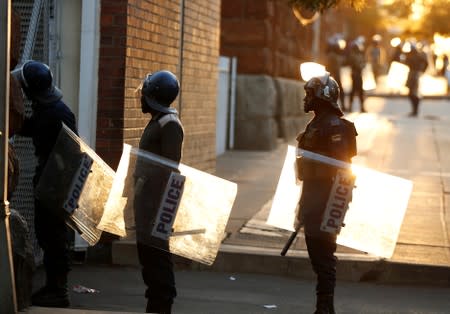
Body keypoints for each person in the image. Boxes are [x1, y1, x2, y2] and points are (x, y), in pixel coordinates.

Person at [13, 60, 78, 308]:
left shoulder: (52, 114)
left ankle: (58, 290)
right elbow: (30, 127)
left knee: (52, 235)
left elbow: (32, 128)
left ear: (31, 91)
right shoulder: (52, 108)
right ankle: (55, 286)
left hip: (55, 182)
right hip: (56, 180)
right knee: (51, 234)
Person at [295, 73, 358, 314]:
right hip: (313, 198)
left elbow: (342, 169)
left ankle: (325, 307)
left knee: (324, 255)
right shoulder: (317, 123)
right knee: (317, 253)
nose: (306, 98)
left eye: (310, 94)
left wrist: (334, 206)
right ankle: (323, 306)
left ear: (323, 97)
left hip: (328, 200)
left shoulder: (335, 127)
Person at [134, 70, 184, 314]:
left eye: (144, 91)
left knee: (158, 265)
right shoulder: (158, 120)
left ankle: (162, 307)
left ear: (153, 95)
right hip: (146, 205)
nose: (140, 96)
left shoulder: (170, 124)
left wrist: (163, 213)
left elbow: (169, 171)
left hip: (156, 207)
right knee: (148, 264)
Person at [403, 43, 428, 117]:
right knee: (412, 93)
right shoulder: (410, 55)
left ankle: (415, 110)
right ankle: (414, 110)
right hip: (412, 74)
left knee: (413, 93)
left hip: (415, 74)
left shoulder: (417, 55)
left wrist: (422, 70)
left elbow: (426, 62)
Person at [325, 36, 346, 111]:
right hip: (333, 73)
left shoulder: (331, 55)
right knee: (331, 89)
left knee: (328, 89)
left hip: (331, 74)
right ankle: (341, 105)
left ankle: (329, 105)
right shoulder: (334, 55)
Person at [346, 38, 366, 112]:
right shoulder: (353, 55)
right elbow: (357, 64)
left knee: (359, 91)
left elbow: (363, 63)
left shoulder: (358, 55)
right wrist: (361, 65)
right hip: (355, 74)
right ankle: (351, 107)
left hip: (358, 74)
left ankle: (361, 107)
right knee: (355, 91)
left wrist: (362, 65)